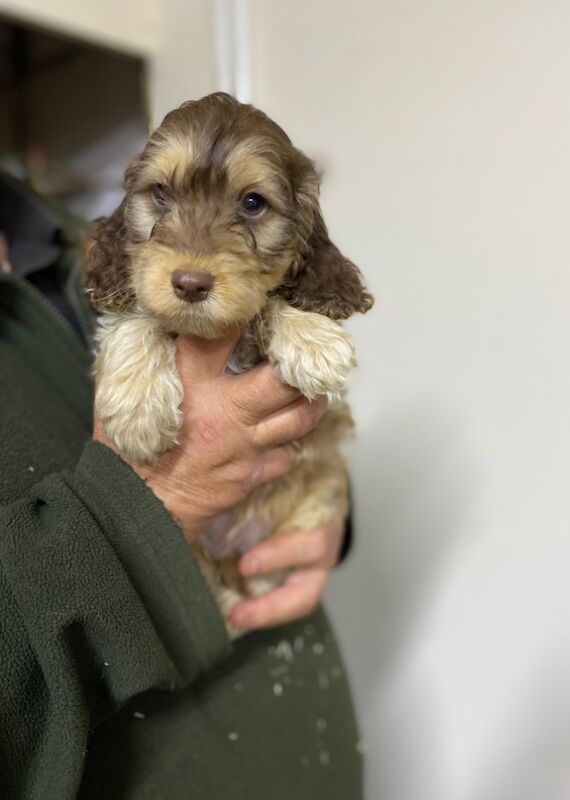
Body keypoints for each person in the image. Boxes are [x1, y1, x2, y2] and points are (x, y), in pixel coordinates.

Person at [0, 172, 362, 799]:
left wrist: (312, 490)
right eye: (162, 197)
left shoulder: (61, 223)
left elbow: (245, 395)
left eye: (251, 203)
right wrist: (149, 508)